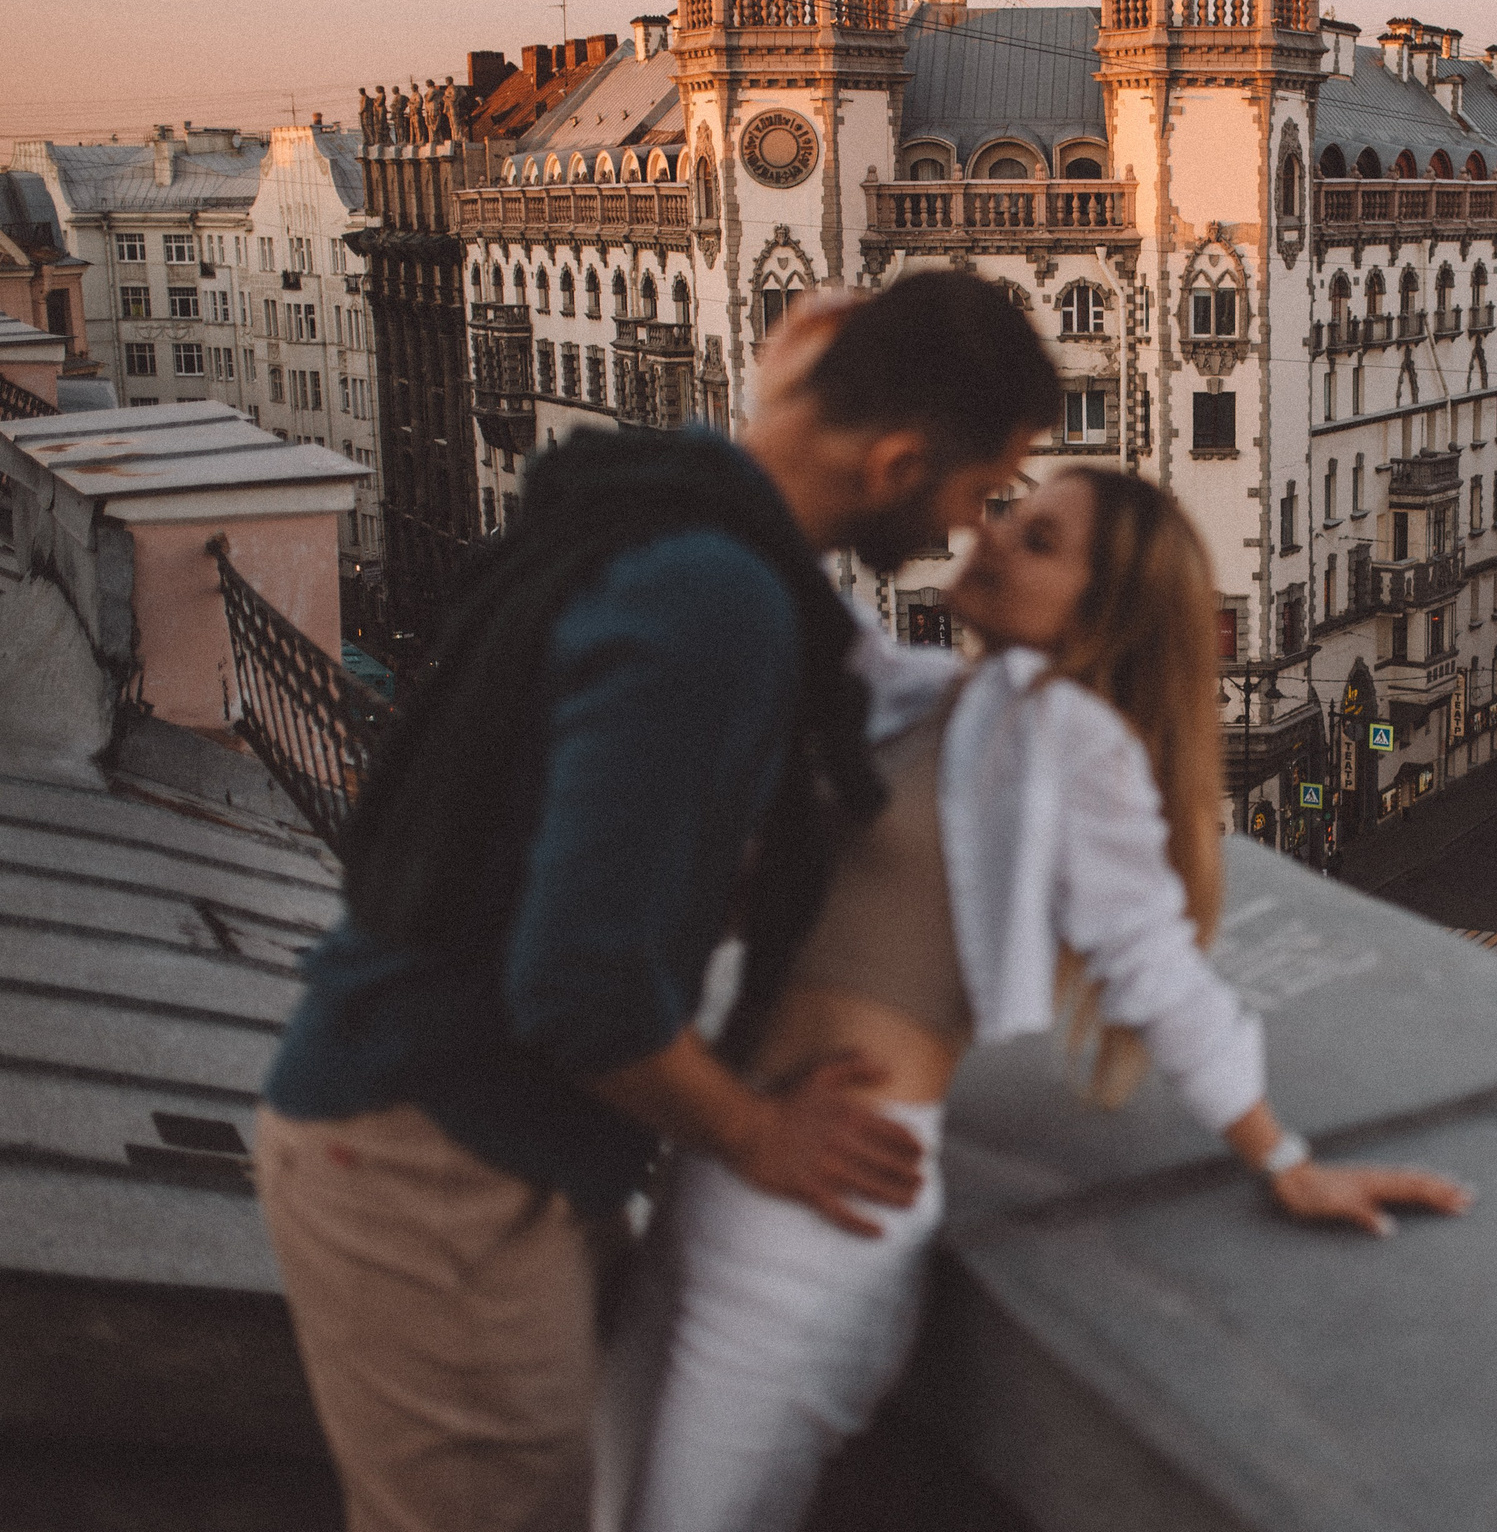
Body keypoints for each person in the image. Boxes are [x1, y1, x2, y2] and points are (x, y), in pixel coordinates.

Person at [254, 274, 1059, 1532]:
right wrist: (755, 1134)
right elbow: (581, 988)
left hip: (457, 1131)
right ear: (900, 460)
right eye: (982, 485)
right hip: (438, 1155)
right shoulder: (714, 600)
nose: (975, 522)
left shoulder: (654, 516)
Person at [594, 468, 1473, 1532]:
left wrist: (1283, 1162)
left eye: (1043, 540)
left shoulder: (1071, 738)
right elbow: (785, 566)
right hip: (726, 1149)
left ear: (1100, 612)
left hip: (824, 1201)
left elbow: (1152, 963)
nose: (999, 536)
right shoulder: (922, 692)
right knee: (603, 1502)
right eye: (1009, 512)